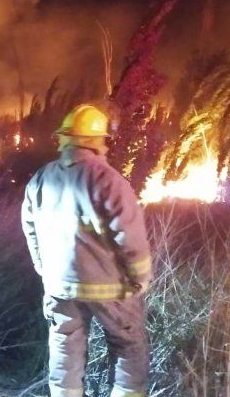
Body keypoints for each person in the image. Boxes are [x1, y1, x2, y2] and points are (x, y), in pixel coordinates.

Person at [21, 103, 153, 397]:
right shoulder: (109, 181)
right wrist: (140, 277)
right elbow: (130, 238)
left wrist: (43, 266)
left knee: (64, 347)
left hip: (59, 286)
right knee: (129, 346)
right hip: (110, 289)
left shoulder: (40, 179)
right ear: (97, 141)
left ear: (64, 138)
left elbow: (30, 228)